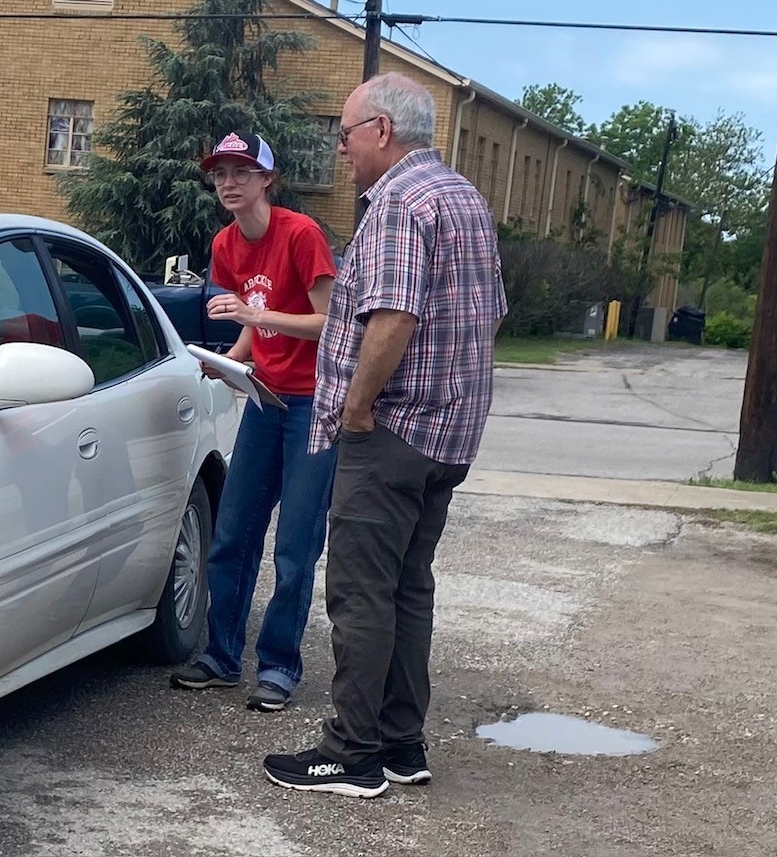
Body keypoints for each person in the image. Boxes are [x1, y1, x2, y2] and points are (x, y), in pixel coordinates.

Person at [262, 73, 508, 797]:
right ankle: (402, 741)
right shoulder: (463, 196)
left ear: (381, 130)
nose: (340, 149)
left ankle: (352, 752)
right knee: (407, 588)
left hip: (394, 428)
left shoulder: (399, 202)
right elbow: (490, 311)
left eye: (344, 134)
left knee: (360, 591)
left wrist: (359, 409)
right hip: (449, 433)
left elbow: (392, 318)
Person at [169, 130, 337, 713]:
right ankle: (221, 656)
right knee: (233, 532)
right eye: (220, 174)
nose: (229, 183)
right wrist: (231, 361)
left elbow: (332, 324)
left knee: (295, 546)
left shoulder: (302, 234)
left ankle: (279, 668)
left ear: (268, 178)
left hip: (314, 404)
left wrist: (254, 313)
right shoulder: (225, 244)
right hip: (265, 398)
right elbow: (254, 325)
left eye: (242, 172)